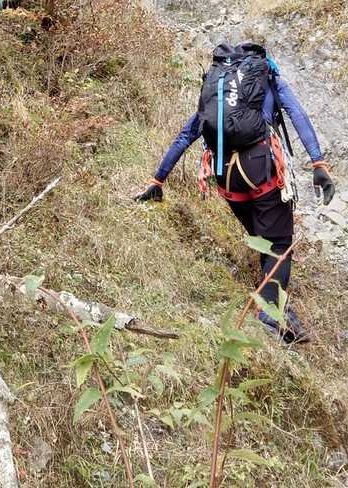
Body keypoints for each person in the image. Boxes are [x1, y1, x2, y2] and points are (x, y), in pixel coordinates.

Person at [134, 42, 334, 344]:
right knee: (279, 245)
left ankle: (278, 306)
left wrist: (157, 180)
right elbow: (297, 115)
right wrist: (318, 163)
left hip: (226, 177)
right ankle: (269, 316)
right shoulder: (267, 78)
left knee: (263, 239)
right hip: (261, 169)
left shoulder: (219, 91)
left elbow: (188, 133)